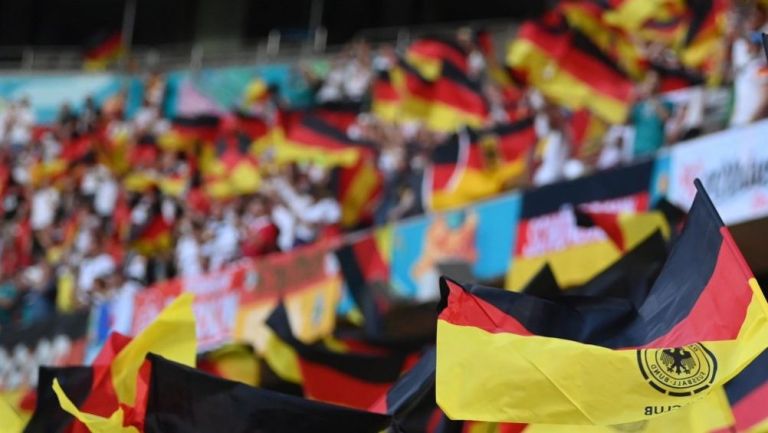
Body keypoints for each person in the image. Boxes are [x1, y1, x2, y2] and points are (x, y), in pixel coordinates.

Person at [629, 71, 673, 158]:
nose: (651, 85)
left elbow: (665, 117)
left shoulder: (666, 103)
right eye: (649, 81)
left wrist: (650, 96)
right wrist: (632, 97)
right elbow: (627, 120)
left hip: (656, 149)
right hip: (638, 150)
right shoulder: (639, 105)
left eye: (654, 82)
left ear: (659, 84)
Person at [729, 32, 768, 127]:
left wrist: (752, 121)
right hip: (738, 122)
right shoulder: (745, 67)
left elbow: (766, 98)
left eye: (750, 43)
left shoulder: (761, 67)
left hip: (751, 123)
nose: (747, 47)